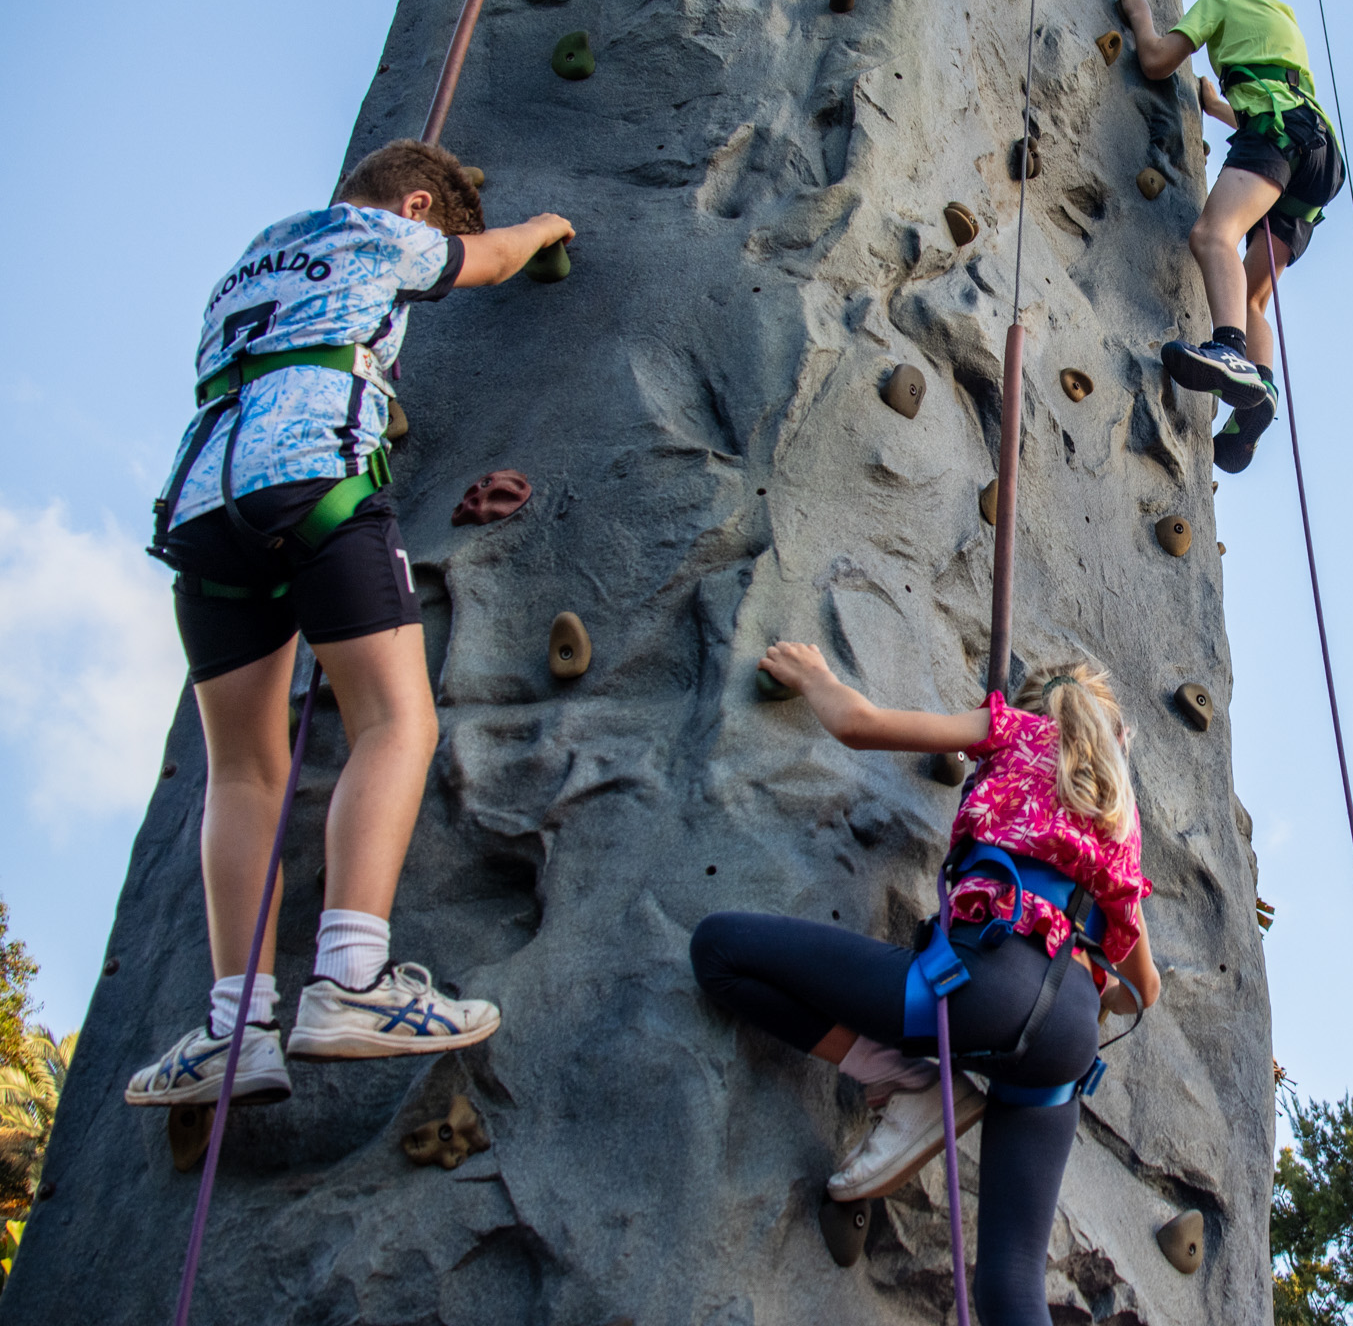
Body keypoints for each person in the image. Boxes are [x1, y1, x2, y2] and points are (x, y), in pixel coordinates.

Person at [124, 139, 575, 1111]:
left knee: (243, 768)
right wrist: (540, 229)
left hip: (203, 509)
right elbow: (484, 263)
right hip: (313, 478)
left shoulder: (254, 257)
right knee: (395, 721)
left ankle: (234, 1026)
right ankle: (350, 981)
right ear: (415, 205)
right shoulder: (380, 232)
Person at [691, 646, 1161, 1326]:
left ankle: (902, 1077)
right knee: (1012, 1286)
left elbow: (858, 725)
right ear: (1114, 739)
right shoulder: (1119, 827)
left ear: (1036, 711)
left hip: (979, 987)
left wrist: (814, 676)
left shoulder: (1011, 730)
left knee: (721, 952)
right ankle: (918, 1084)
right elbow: (1141, 991)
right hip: (1067, 1042)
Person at [1119, 0, 1347, 474]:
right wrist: (1216, 106)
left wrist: (1141, 16)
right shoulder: (1280, 17)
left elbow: (1155, 60)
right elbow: (1269, 93)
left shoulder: (1220, 0)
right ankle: (1256, 403)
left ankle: (1228, 350)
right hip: (1318, 158)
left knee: (1211, 235)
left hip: (1276, 132)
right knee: (1251, 296)